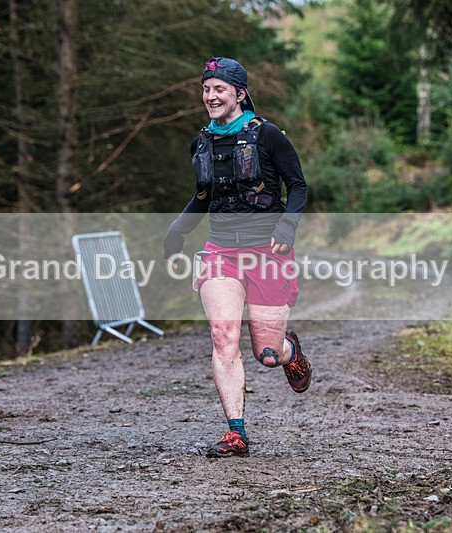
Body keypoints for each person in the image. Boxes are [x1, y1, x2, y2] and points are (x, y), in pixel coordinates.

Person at [164, 57, 311, 458]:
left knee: (266, 355)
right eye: (206, 88)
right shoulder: (201, 143)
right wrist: (175, 232)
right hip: (220, 251)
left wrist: (287, 227)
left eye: (219, 89)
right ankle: (236, 432)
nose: (210, 96)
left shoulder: (268, 136)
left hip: (268, 251)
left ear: (239, 94)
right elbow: (203, 197)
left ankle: (289, 351)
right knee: (223, 336)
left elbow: (297, 187)